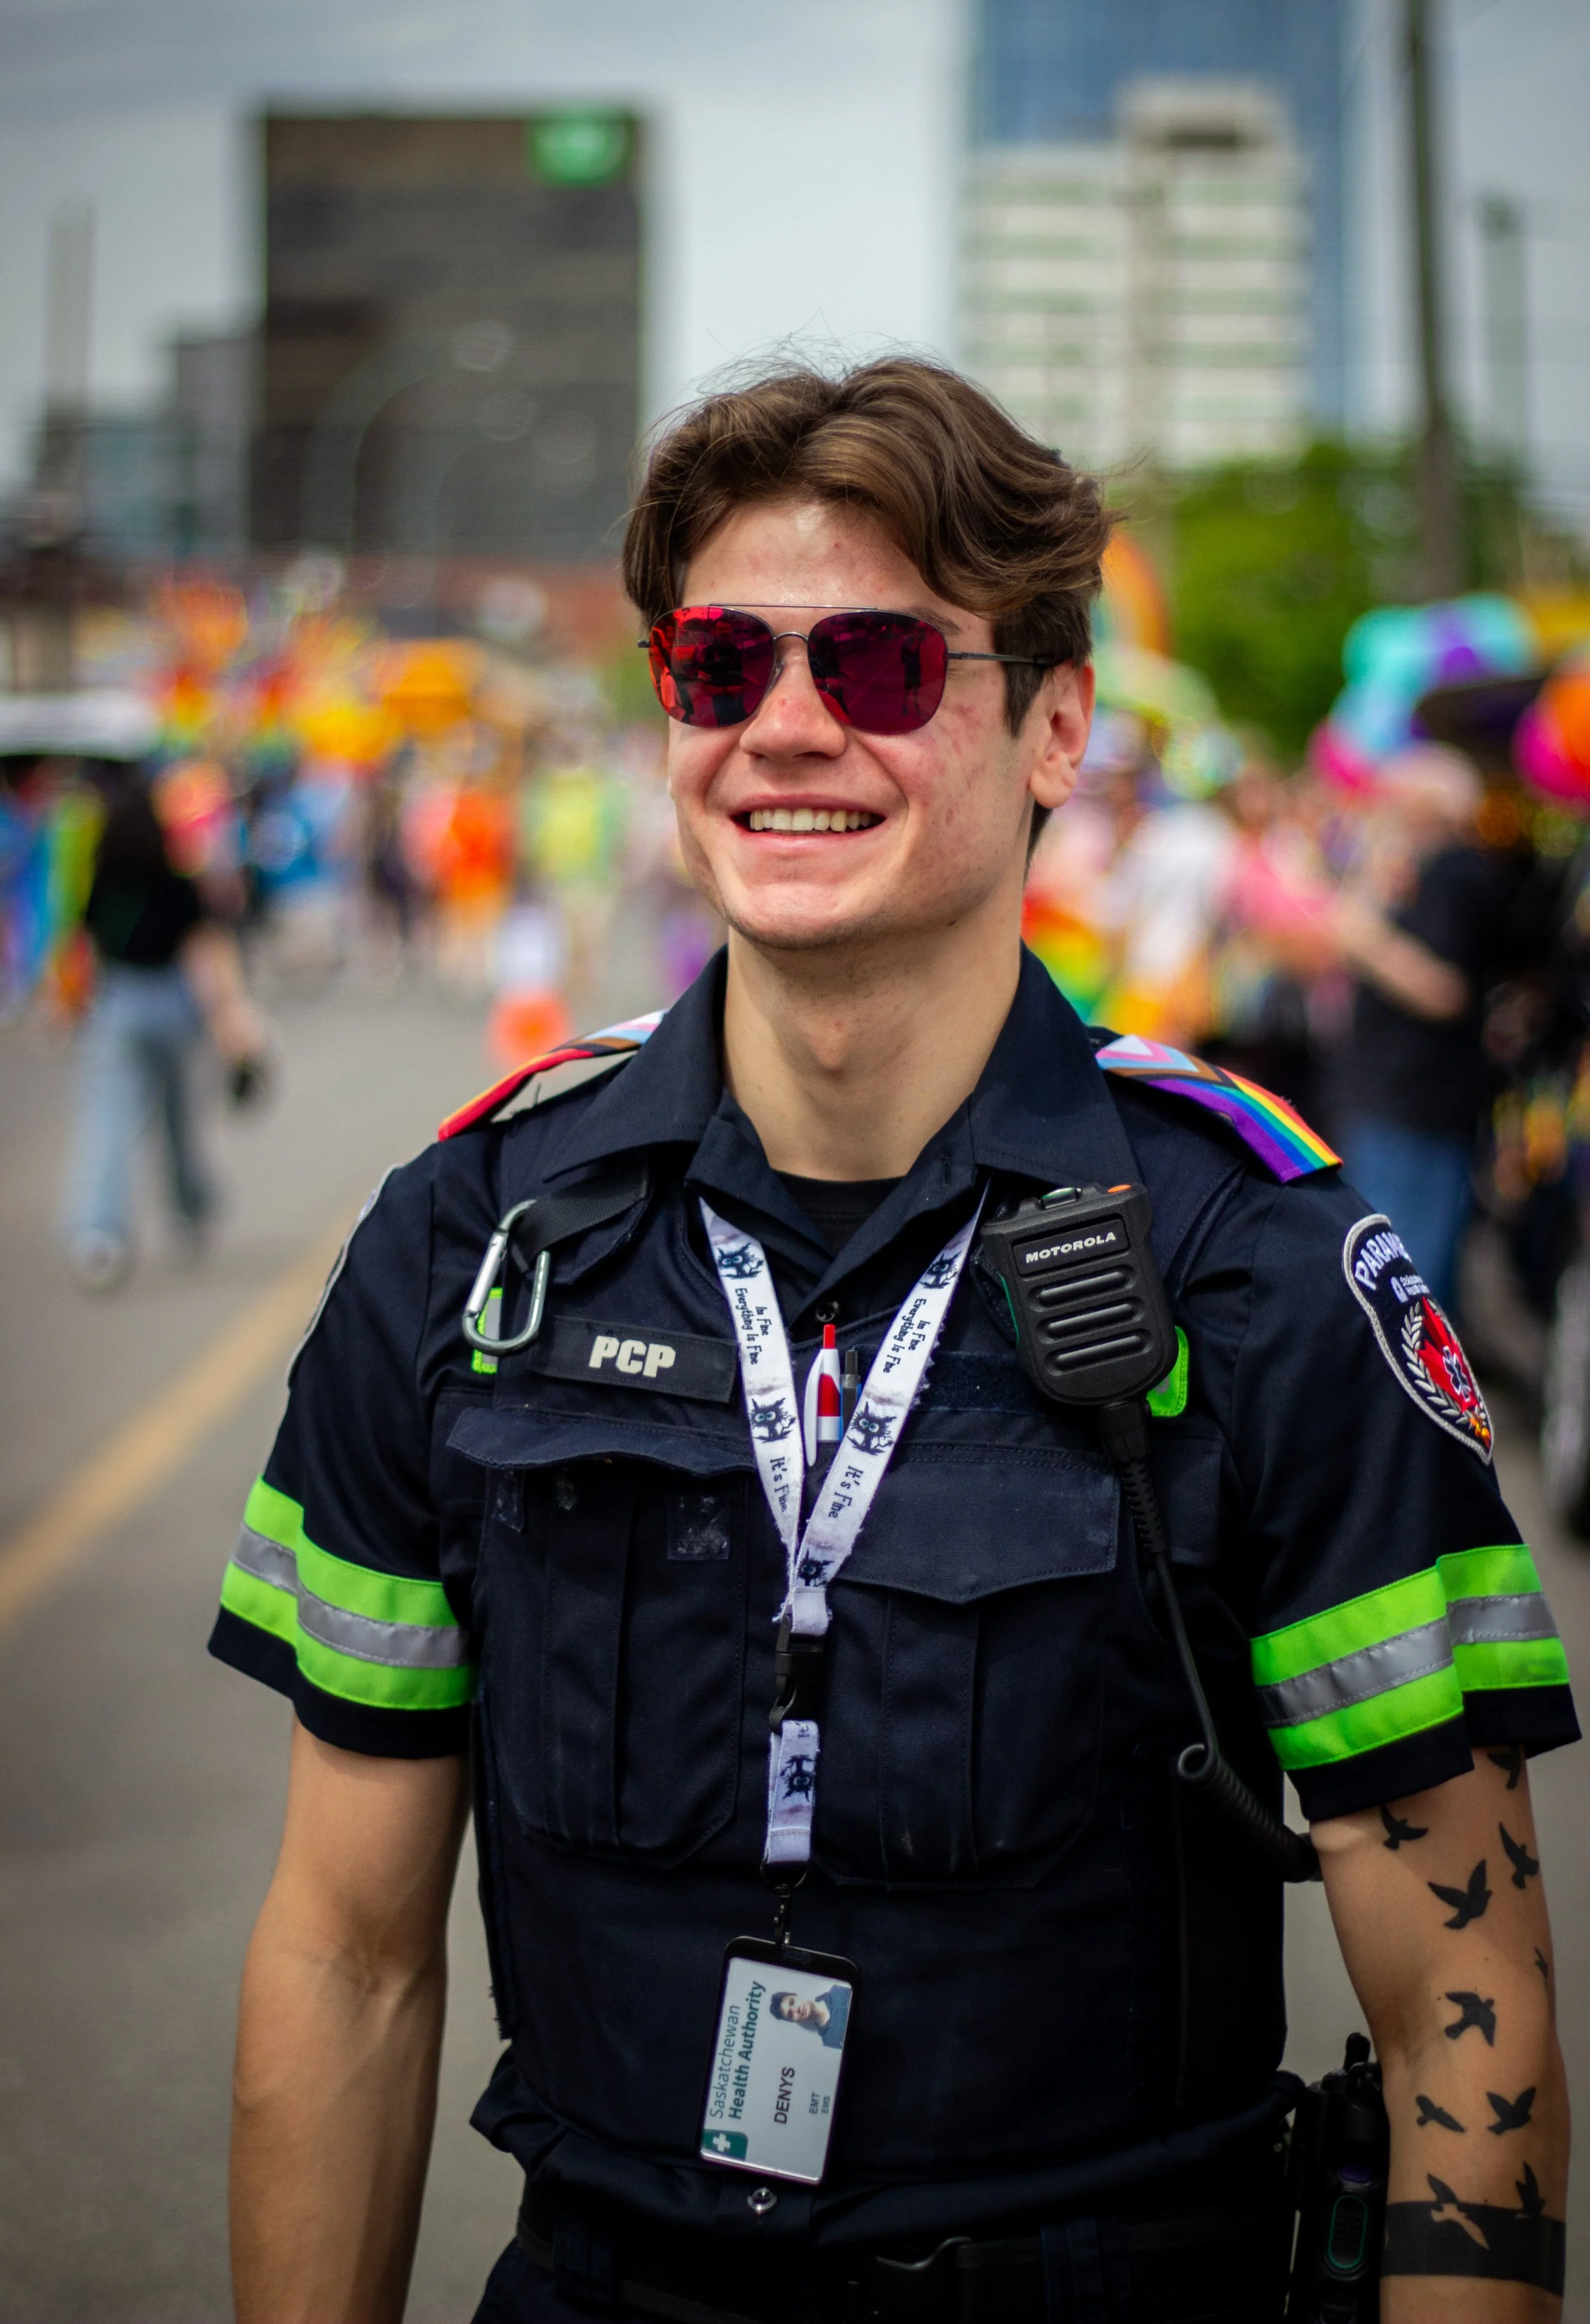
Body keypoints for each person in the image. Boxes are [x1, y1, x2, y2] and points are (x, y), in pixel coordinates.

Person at [211, 361, 1575, 2324]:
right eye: (716, 665)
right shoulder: (470, 1242)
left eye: (870, 664)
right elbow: (345, 1953)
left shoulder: (1259, 1264)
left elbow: (1469, 2006)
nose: (780, 727)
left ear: (1052, 725)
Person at [60, 768, 266, 1290]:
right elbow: (204, 954)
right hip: (174, 1008)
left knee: (108, 1124)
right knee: (179, 1121)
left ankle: (100, 1235)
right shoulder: (178, 881)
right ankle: (191, 1213)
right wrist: (230, 1023)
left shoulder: (102, 879)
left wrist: (67, 1006)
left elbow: (81, 947)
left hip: (117, 1006)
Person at [1329, 744, 1498, 1316]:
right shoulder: (1430, 871)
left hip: (1416, 1104)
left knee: (1401, 1279)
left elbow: (1445, 989)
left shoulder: (1454, 873)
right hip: (1404, 1099)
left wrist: (1364, 938)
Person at [771, 1987, 850, 2050]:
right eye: (791, 2014)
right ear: (795, 2021)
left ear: (796, 1996)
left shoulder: (838, 1991)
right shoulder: (829, 2040)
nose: (797, 2009)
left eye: (792, 2002)